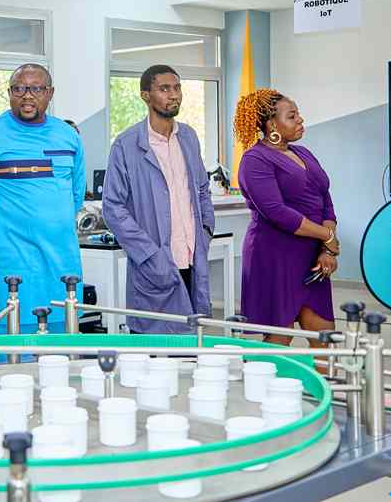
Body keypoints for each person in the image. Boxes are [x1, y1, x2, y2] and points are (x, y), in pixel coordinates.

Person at [103, 64, 215, 334]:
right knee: (154, 343)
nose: (174, 95)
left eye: (177, 88)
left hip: (192, 256)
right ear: (145, 95)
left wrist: (206, 230)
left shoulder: (188, 137)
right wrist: (149, 254)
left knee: (192, 341)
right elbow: (113, 207)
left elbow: (202, 188)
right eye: (164, 89)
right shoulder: (126, 145)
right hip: (155, 262)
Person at [0, 64, 86, 332]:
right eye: (19, 89)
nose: (27, 95)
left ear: (50, 93)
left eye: (36, 89)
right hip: (11, 267)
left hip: (61, 265)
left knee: (62, 349)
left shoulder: (68, 137)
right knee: (14, 349)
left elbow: (76, 195)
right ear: (9, 93)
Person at [233, 89, 339, 345]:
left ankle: (322, 376)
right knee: (279, 337)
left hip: (312, 256)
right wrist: (327, 236)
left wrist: (327, 249)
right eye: (292, 116)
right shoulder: (254, 159)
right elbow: (276, 212)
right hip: (274, 254)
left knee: (325, 337)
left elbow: (324, 199)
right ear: (271, 125)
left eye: (298, 114)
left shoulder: (304, 153)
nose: (300, 119)